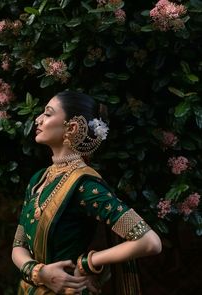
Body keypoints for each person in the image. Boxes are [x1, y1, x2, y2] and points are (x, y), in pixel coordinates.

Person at [12, 90, 162, 295]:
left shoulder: (84, 185)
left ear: (71, 128)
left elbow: (149, 242)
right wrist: (40, 272)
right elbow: (18, 246)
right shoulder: (39, 179)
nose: (38, 119)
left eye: (47, 114)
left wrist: (88, 263)